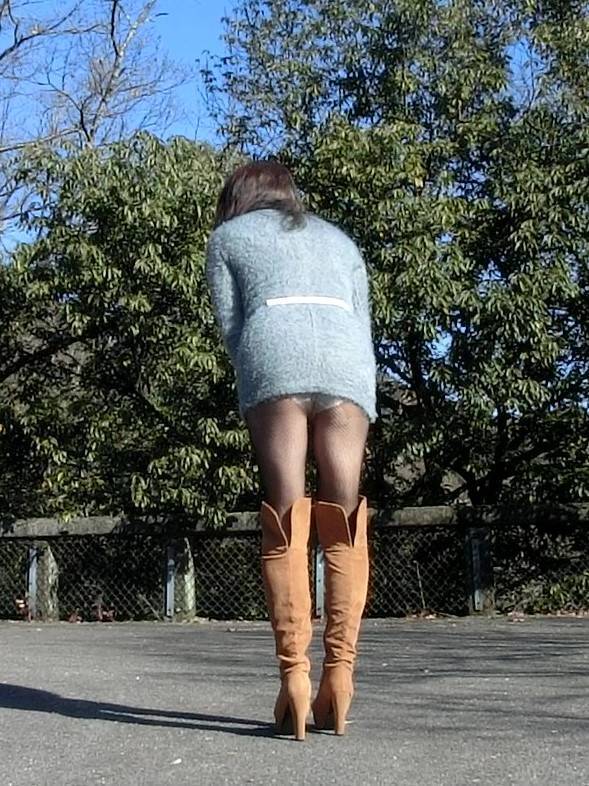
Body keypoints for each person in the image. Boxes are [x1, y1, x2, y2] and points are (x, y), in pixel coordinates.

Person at [206, 161, 377, 741]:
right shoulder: (339, 239)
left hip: (273, 357)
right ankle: (341, 680)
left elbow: (232, 328)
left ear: (239, 195)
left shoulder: (228, 238)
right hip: (348, 364)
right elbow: (362, 320)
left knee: (285, 513)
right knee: (345, 515)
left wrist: (261, 367)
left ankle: (295, 680)